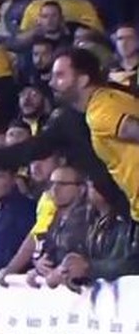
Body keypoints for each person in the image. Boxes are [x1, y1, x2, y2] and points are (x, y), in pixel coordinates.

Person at [50, 47, 139, 220]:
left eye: (60, 75)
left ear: (83, 80)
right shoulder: (112, 96)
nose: (52, 83)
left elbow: (132, 129)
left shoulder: (99, 111)